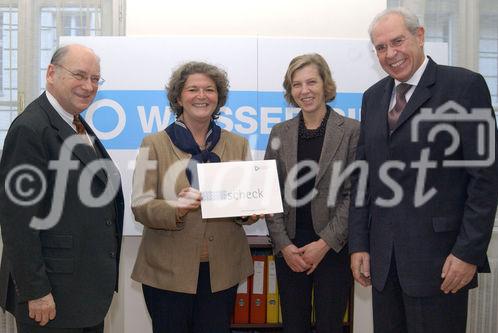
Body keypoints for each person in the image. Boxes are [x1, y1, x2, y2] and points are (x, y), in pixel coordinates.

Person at [348, 7, 498, 333]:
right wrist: (360, 243)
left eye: (397, 41)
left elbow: (485, 178)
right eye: (381, 47)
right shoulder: (373, 98)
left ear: (419, 36)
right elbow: (364, 177)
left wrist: (467, 252)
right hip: (384, 265)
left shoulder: (464, 87)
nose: (390, 53)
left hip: (441, 262)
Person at [0, 44, 124, 332]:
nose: (88, 86)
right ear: (51, 73)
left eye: (95, 79)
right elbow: (18, 220)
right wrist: (36, 291)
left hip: (82, 292)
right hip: (50, 298)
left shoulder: (75, 123)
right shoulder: (30, 129)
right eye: (80, 75)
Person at [131, 61, 259, 333]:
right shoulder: (153, 143)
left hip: (221, 272)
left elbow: (248, 205)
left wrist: (249, 211)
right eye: (193, 89)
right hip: (166, 274)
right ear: (179, 97)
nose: (202, 96)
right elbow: (140, 206)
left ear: (218, 97)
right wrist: (175, 208)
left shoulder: (238, 144)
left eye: (209, 90)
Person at [264, 53, 359, 333]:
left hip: (333, 249)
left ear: (325, 84)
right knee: (294, 326)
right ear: (290, 91)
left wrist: (324, 243)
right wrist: (283, 244)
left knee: (331, 326)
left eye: (311, 82)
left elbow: (354, 195)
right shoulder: (280, 132)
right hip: (290, 249)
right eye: (296, 85)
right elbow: (270, 191)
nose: (304, 91)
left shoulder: (352, 131)